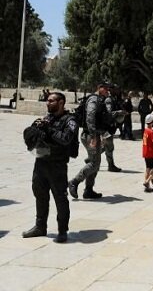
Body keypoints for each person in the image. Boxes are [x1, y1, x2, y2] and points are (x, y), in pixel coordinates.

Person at [22, 92, 78, 243]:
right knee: (39, 194)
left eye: (51, 101)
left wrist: (49, 129)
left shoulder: (70, 120)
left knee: (60, 197)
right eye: (48, 101)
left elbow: (66, 139)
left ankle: (62, 230)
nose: (48, 103)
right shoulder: (47, 118)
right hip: (40, 162)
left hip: (57, 165)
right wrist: (34, 128)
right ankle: (40, 226)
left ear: (61, 103)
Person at [68, 81, 114, 200]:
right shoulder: (94, 99)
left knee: (96, 163)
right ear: (100, 88)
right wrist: (93, 135)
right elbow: (90, 117)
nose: (108, 91)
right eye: (106, 88)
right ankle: (74, 182)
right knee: (94, 163)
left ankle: (88, 190)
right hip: (90, 135)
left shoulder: (100, 100)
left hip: (94, 135)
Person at [102, 88, 122, 172]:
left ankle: (90, 159)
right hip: (107, 128)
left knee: (105, 146)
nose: (118, 91)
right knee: (109, 147)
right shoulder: (109, 100)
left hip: (110, 127)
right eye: (116, 90)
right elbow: (108, 113)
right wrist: (118, 112)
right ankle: (111, 166)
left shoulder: (114, 99)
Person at [142, 114, 153, 192]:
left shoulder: (145, 130)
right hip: (151, 153)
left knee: (148, 168)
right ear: (152, 122)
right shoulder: (151, 131)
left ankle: (147, 187)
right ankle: (147, 181)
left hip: (145, 152)